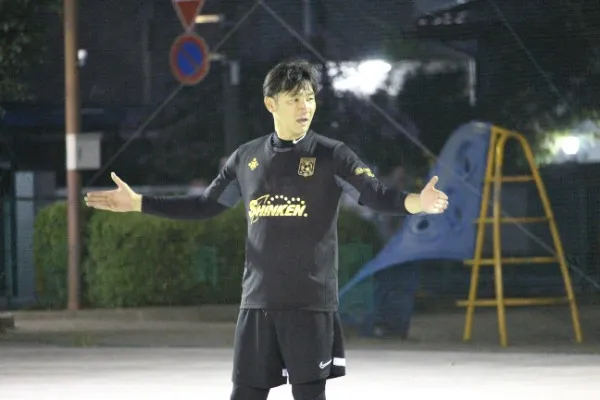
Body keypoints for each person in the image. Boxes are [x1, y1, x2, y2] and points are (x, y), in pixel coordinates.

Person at [85, 59, 449, 400]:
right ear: (271, 104)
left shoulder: (332, 155)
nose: (305, 107)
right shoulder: (246, 158)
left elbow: (375, 195)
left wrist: (418, 201)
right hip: (258, 303)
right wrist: (140, 203)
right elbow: (204, 205)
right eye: (294, 100)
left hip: (309, 304)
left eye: (309, 98)